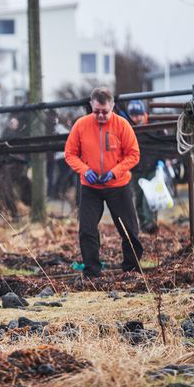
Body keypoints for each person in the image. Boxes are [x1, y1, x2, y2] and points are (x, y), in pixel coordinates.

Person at [64, 87, 144, 278]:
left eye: (104, 112)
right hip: (90, 187)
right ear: (91, 105)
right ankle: (92, 272)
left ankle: (131, 269)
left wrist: (115, 172)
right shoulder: (81, 125)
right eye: (96, 111)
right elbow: (70, 154)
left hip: (118, 186)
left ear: (112, 106)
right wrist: (84, 170)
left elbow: (134, 154)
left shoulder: (122, 125)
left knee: (130, 230)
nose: (100, 115)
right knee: (87, 229)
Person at [126, 99, 160, 233]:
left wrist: (162, 162)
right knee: (139, 197)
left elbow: (163, 143)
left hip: (152, 166)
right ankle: (144, 224)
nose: (136, 118)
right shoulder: (128, 128)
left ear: (143, 113)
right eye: (133, 115)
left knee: (151, 197)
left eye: (138, 115)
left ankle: (152, 223)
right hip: (136, 169)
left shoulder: (154, 126)